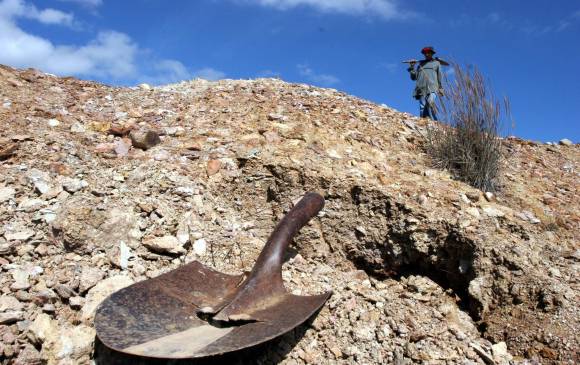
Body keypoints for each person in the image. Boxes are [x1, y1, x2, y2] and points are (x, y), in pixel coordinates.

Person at [407, 46, 444, 120]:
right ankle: (424, 122)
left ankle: (434, 121)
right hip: (421, 88)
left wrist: (440, 88)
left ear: (432, 53)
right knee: (422, 106)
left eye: (428, 52)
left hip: (433, 87)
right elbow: (414, 78)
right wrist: (412, 67)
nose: (427, 54)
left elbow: (440, 76)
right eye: (425, 53)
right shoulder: (420, 65)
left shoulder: (436, 63)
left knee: (430, 103)